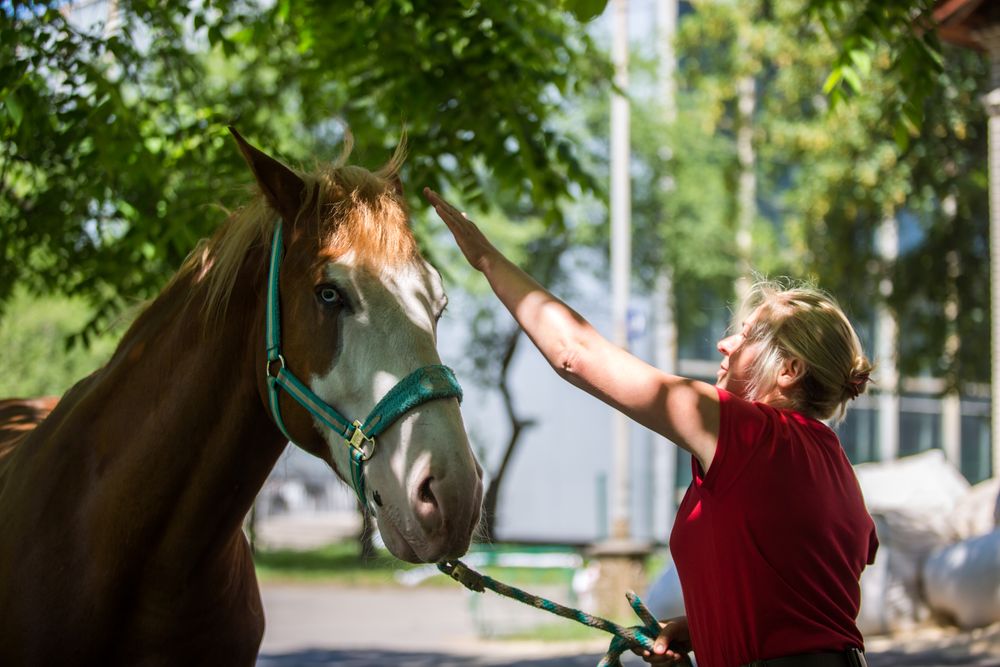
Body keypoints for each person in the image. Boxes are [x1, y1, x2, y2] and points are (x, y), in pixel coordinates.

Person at [424, 188, 878, 667]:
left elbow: (576, 354)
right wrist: (701, 631)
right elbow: (795, 606)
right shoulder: (833, 465)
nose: (725, 344)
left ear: (788, 370)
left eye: (746, 336)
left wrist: (485, 258)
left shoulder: (750, 434)